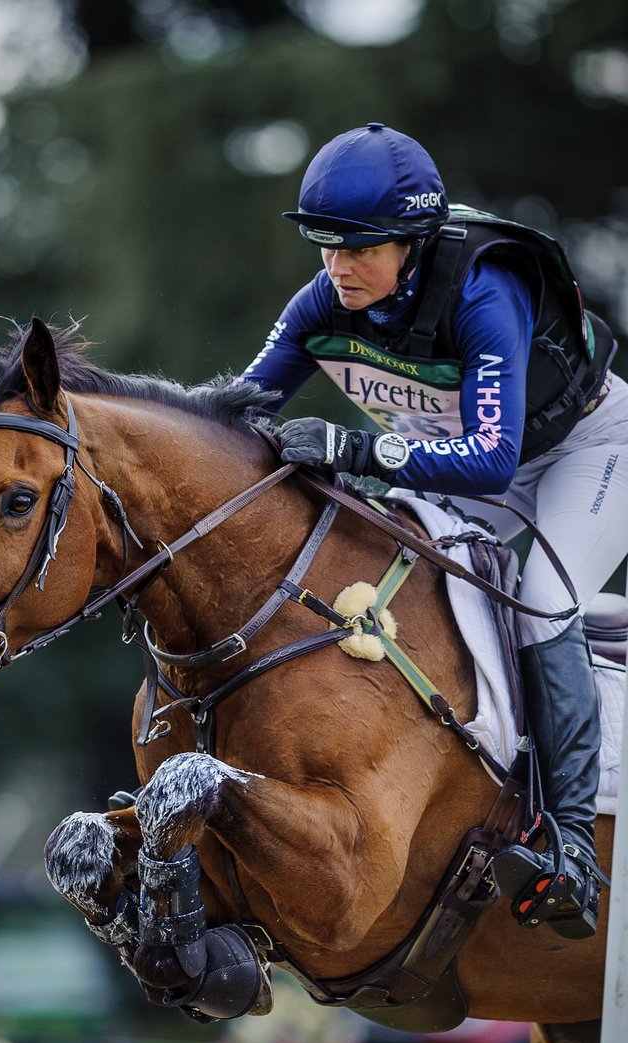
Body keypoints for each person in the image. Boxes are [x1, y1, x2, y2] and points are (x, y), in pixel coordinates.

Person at [239, 121, 627, 940]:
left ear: (413, 242)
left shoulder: (485, 289)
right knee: (387, 573)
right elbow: (233, 412)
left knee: (540, 603)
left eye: (361, 249)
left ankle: (572, 852)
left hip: (588, 451)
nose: (340, 267)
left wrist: (351, 446)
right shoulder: (324, 300)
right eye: (326, 247)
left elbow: (491, 460)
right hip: (468, 459)